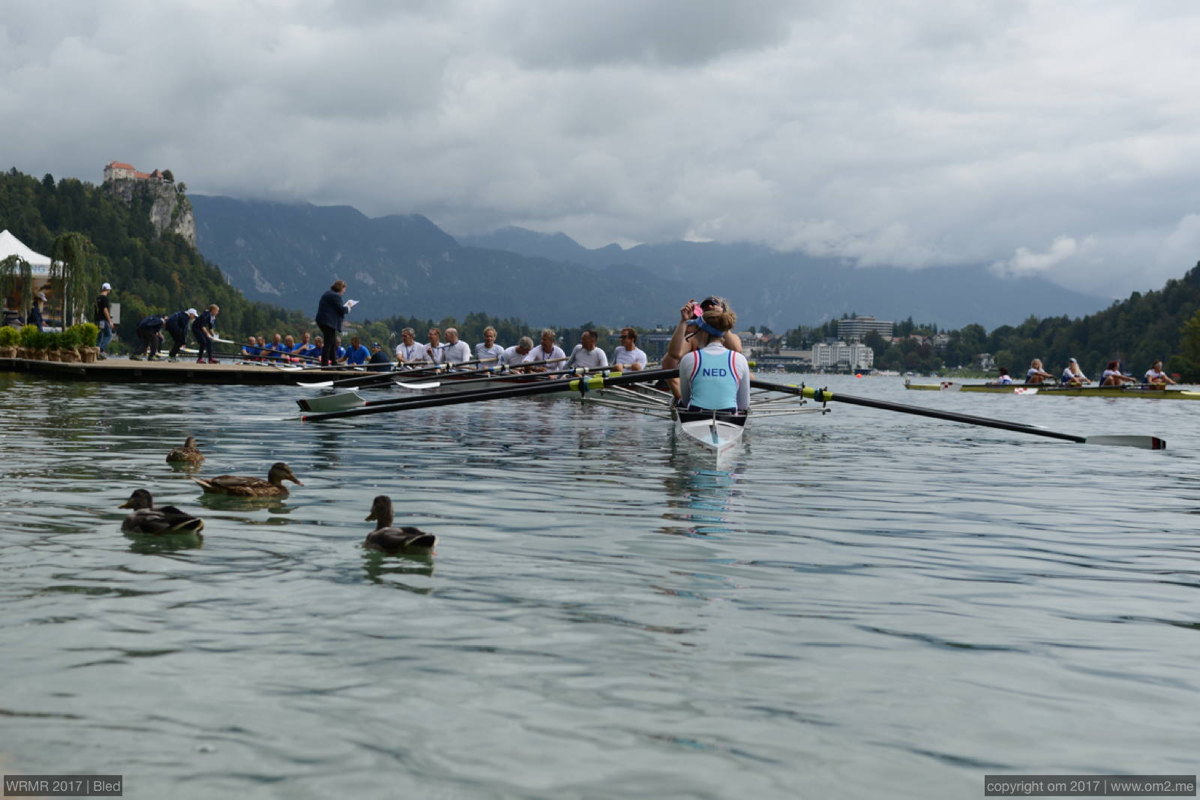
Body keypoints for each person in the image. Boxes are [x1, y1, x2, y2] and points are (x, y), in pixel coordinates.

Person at [677, 305, 750, 413]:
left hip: (695, 416)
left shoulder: (689, 359)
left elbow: (686, 400)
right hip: (729, 418)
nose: (694, 335)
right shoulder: (740, 359)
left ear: (703, 332)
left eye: (696, 330)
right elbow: (743, 405)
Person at [663, 296, 743, 370]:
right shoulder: (694, 339)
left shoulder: (732, 337)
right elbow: (675, 354)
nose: (710, 307)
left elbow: (736, 350)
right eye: (705, 309)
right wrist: (684, 321)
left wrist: (721, 320)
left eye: (713, 305)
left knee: (750, 376)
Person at [315, 279, 354, 366]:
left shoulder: (328, 293)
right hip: (328, 322)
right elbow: (341, 309)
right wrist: (349, 307)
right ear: (341, 288)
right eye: (344, 289)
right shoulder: (336, 296)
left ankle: (333, 362)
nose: (344, 291)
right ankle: (325, 364)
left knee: (332, 343)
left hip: (322, 320)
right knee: (328, 344)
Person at [94, 282, 116, 358]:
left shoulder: (97, 298)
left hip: (97, 320)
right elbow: (105, 310)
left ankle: (96, 353)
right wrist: (109, 320)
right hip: (103, 320)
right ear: (107, 289)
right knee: (109, 335)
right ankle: (101, 350)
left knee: (100, 336)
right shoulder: (105, 298)